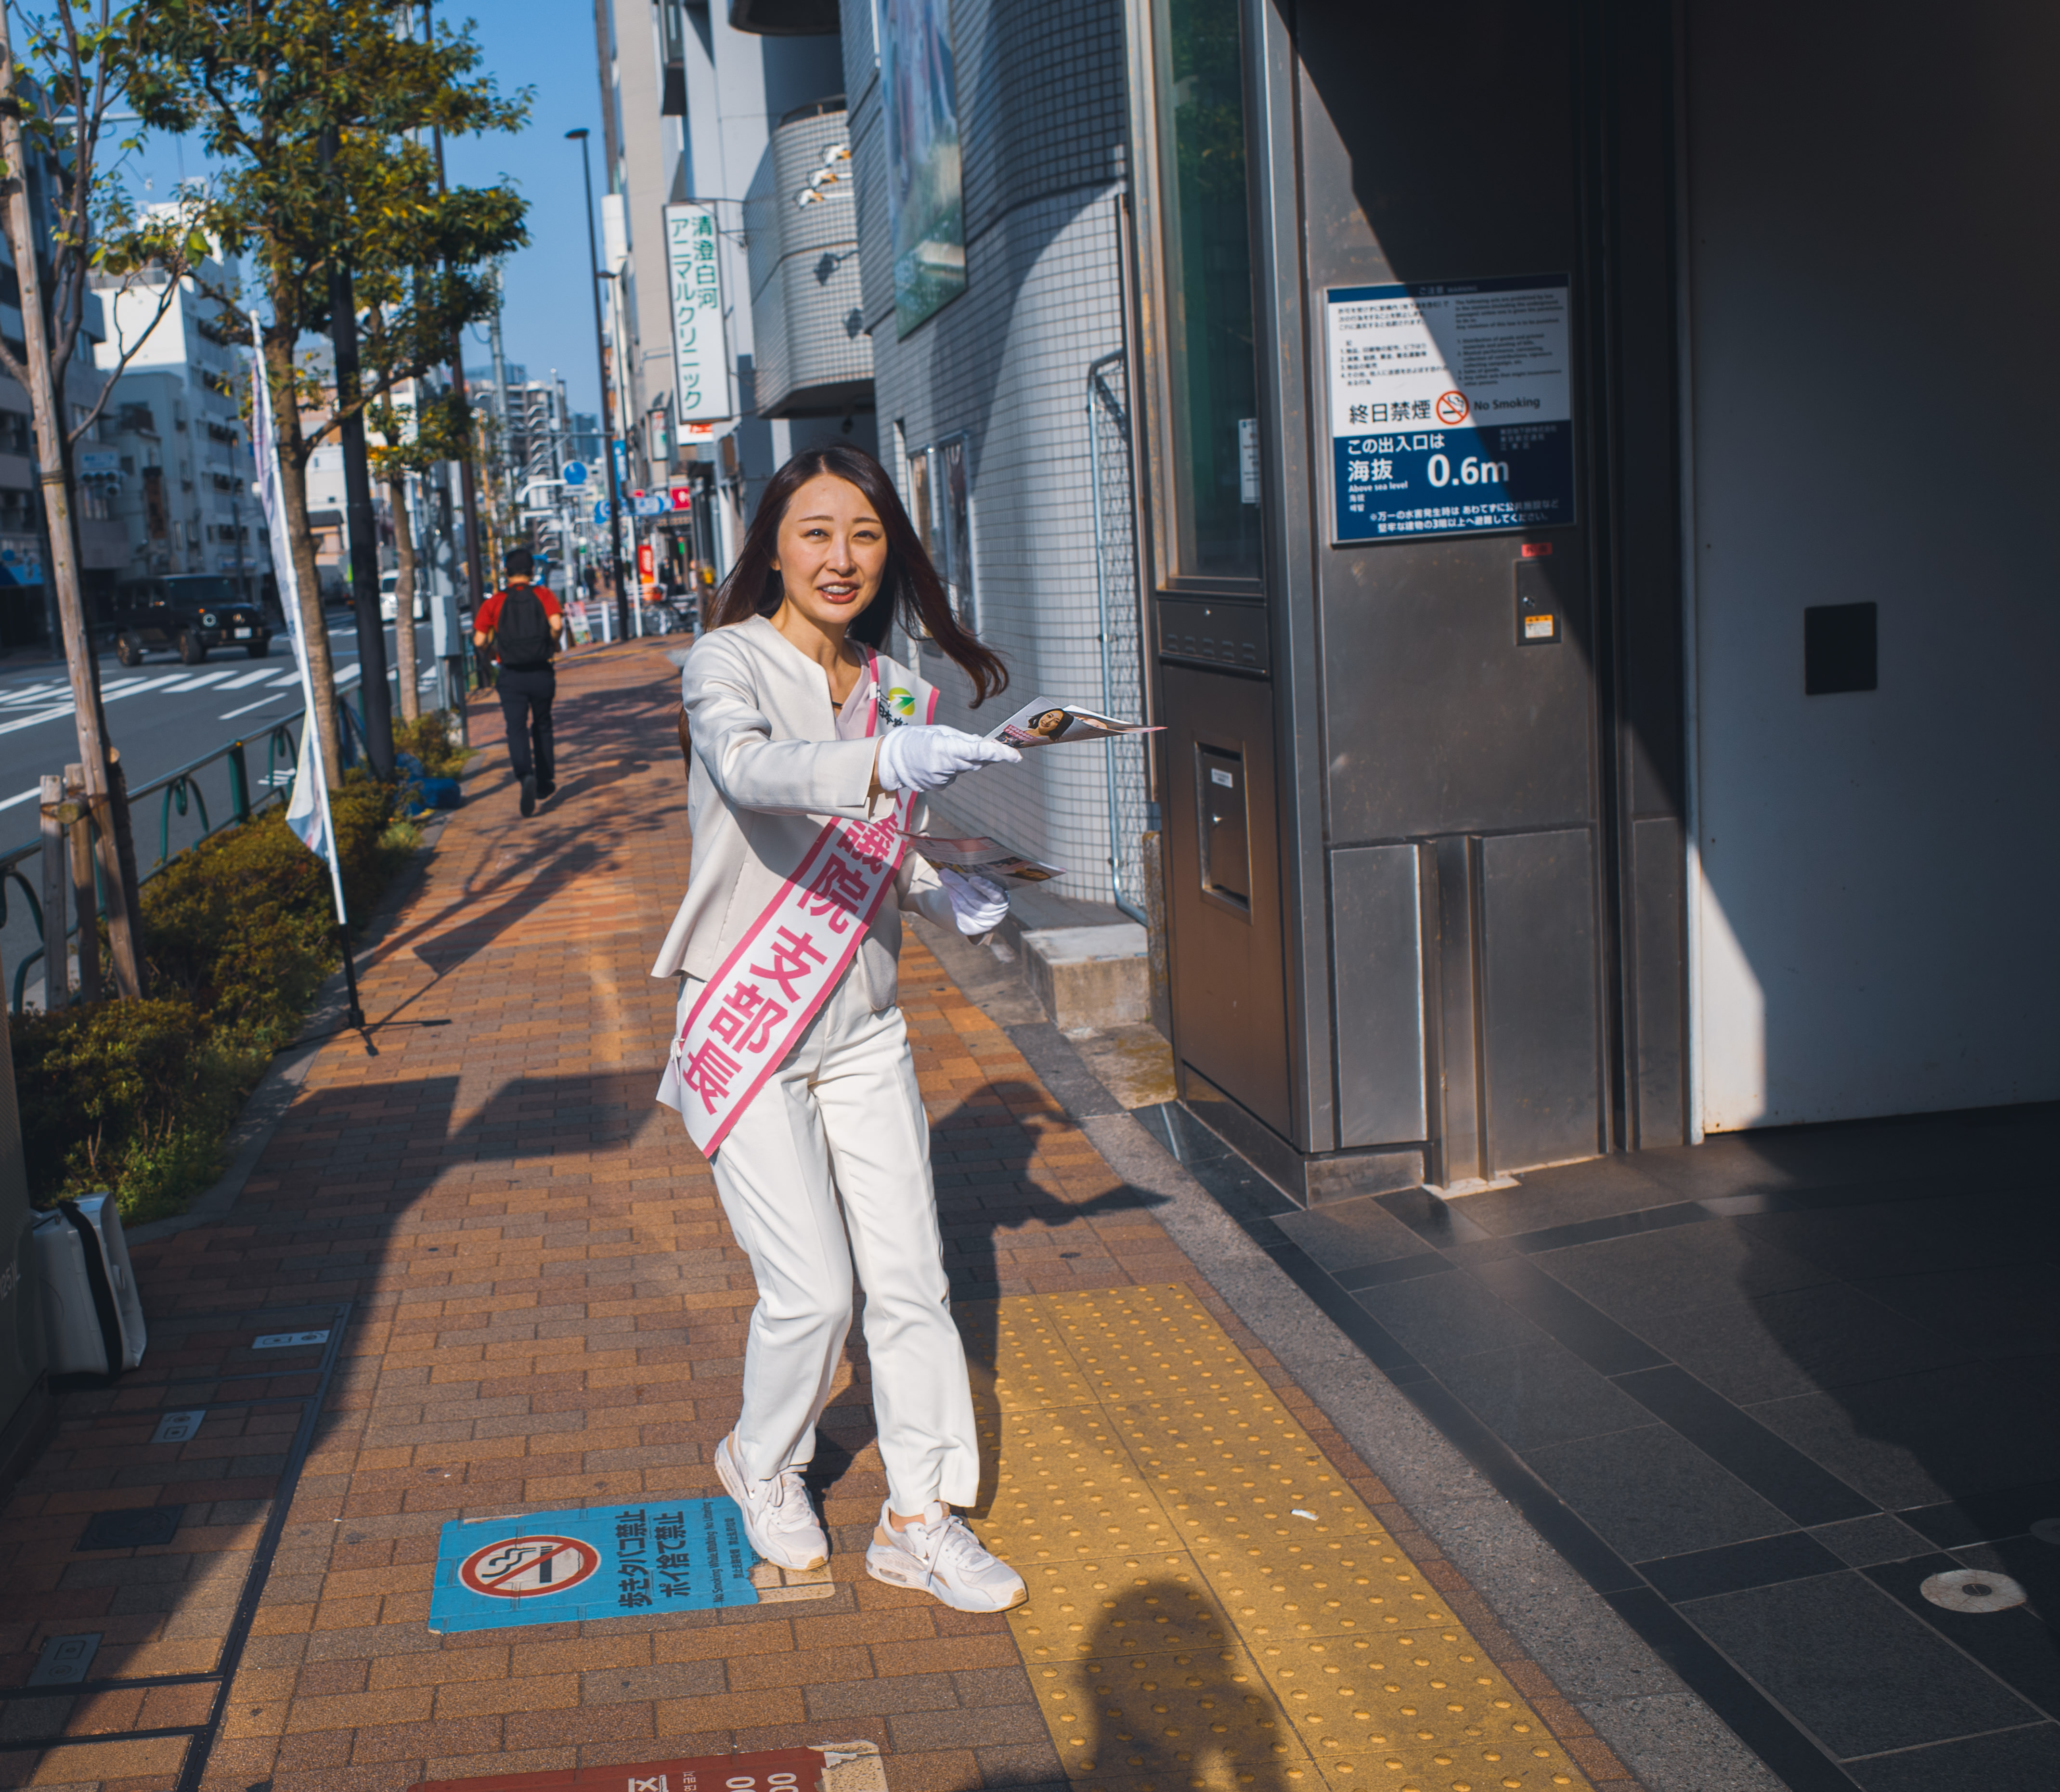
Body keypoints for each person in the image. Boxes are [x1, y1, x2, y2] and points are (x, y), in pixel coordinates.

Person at [651, 444, 1028, 1612]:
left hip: (862, 1021)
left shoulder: (893, 682)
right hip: (750, 1018)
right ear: (772, 545)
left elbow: (881, 844)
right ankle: (762, 1458)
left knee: (913, 1279)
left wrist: (946, 885)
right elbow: (753, 771)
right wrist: (885, 757)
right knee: (814, 1293)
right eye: (815, 531)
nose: (841, 557)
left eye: (864, 534)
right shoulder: (725, 660)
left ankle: (919, 1518)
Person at [473, 546, 567, 816]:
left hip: (511, 675)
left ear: (506, 572)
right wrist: (553, 643)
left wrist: (494, 654)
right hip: (541, 671)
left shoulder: (495, 602)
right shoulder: (543, 595)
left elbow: (479, 640)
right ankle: (544, 781)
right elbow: (557, 625)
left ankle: (525, 775)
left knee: (516, 728)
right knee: (542, 724)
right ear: (531, 571)